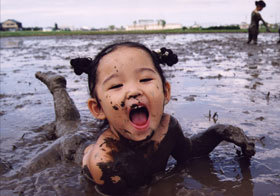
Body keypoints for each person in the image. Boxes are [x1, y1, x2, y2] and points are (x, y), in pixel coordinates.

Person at [67, 41, 256, 195]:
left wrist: (219, 132)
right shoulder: (105, 163)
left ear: (166, 92)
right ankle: (58, 88)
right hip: (75, 150)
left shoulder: (168, 127)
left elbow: (189, 153)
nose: (133, 91)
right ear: (98, 108)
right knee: (66, 127)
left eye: (145, 79)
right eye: (116, 85)